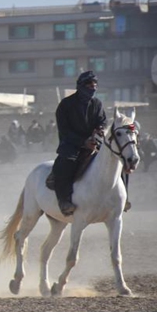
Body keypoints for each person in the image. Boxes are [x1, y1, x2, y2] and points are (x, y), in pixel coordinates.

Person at [52, 71, 107, 216]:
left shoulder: (97, 103)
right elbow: (64, 131)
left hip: (94, 142)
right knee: (66, 165)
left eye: (95, 85)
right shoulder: (66, 105)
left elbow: (102, 121)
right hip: (71, 145)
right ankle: (64, 201)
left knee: (116, 160)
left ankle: (123, 197)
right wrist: (83, 142)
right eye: (89, 85)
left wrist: (100, 129)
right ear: (81, 86)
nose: (93, 88)